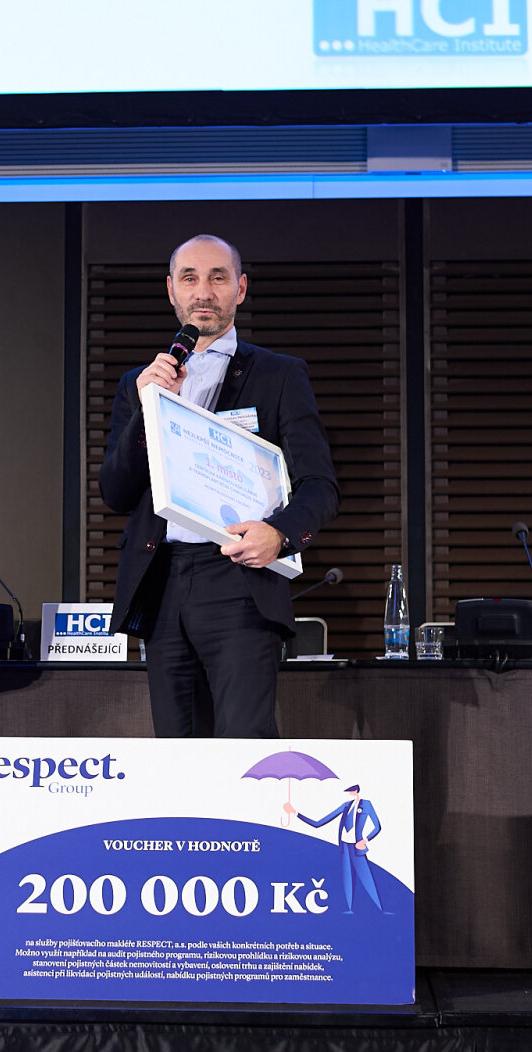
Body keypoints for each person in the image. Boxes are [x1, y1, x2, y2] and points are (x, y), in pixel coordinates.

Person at [99, 234, 339, 738]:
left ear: (241, 288)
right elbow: (116, 494)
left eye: (218, 277)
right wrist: (147, 408)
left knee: (241, 749)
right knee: (177, 750)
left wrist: (281, 534)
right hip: (161, 581)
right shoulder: (138, 383)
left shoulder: (279, 375)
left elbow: (320, 485)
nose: (203, 292)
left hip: (237, 581)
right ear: (171, 290)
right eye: (189, 278)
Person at [286, 785, 387, 914]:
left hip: (357, 846)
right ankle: (349, 909)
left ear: (356, 791)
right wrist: (295, 812)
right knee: (347, 877)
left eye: (351, 791)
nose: (350, 793)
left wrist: (365, 840)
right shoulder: (346, 805)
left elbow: (377, 827)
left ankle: (380, 908)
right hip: (344, 846)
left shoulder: (366, 804)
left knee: (365, 876)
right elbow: (319, 823)